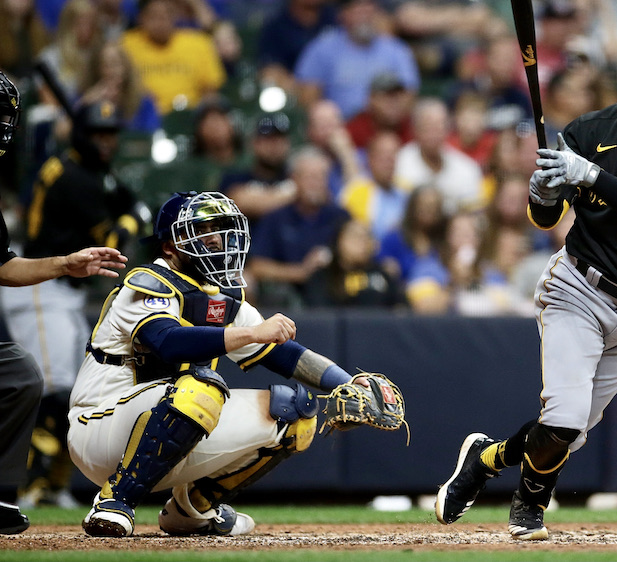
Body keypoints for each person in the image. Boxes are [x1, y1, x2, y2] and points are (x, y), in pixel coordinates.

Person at [434, 17, 617, 540]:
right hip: (579, 288)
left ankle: (485, 459)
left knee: (567, 435)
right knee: (564, 419)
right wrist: (543, 193)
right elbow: (545, 220)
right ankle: (530, 506)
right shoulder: (592, 131)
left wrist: (586, 174)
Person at [68, 191, 363, 538]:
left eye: (219, 227)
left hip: (173, 417)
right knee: (201, 386)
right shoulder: (147, 283)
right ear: (170, 247)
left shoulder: (220, 294)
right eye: (203, 228)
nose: (216, 238)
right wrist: (251, 333)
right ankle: (114, 501)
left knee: (296, 414)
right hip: (100, 428)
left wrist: (348, 384)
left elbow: (284, 354)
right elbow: (169, 342)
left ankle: (191, 509)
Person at [0, 70, 127, 535]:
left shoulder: (94, 176)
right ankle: (34, 483)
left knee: (48, 385)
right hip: (41, 297)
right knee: (50, 387)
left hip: (56, 287)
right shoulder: (70, 176)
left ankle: (30, 488)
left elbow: (3, 263)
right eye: (97, 133)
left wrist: (64, 264)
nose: (105, 142)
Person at [246, 147, 350, 307]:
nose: (316, 183)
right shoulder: (276, 217)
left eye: (321, 177)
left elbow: (362, 254)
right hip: (288, 296)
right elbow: (257, 266)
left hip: (335, 293)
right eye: (310, 177)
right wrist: (300, 272)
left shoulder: (340, 217)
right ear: (294, 179)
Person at [121, 0, 226, 115]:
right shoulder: (126, 45)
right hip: (146, 116)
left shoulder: (199, 43)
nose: (161, 22)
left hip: (191, 115)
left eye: (166, 15)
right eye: (154, 16)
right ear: (141, 18)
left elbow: (211, 90)